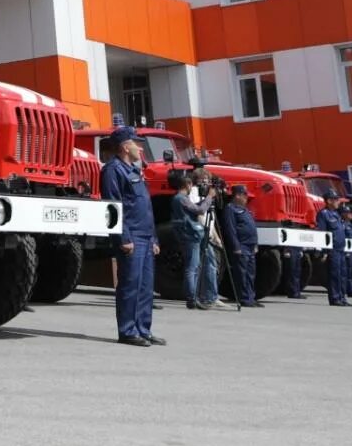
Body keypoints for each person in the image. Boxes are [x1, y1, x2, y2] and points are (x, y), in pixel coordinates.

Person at [101, 126, 164, 347]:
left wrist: (154, 238)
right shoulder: (113, 170)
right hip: (132, 236)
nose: (140, 148)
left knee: (146, 286)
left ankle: (143, 329)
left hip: (145, 236)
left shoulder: (135, 171)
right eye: (136, 144)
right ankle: (127, 331)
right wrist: (123, 238)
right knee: (130, 284)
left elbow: (145, 208)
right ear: (125, 147)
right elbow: (114, 207)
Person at [173, 168, 226, 310]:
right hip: (194, 234)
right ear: (189, 184)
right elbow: (200, 211)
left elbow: (204, 212)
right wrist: (209, 197)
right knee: (194, 267)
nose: (206, 182)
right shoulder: (184, 197)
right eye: (205, 179)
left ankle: (204, 296)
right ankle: (195, 298)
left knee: (202, 265)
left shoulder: (183, 198)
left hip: (198, 234)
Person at [221, 185, 262, 307]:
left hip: (250, 246)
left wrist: (255, 244)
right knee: (241, 273)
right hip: (241, 246)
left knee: (250, 273)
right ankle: (243, 298)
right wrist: (236, 246)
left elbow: (253, 228)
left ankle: (250, 297)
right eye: (244, 195)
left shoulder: (245, 210)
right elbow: (230, 229)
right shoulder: (230, 209)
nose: (246, 198)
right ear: (237, 195)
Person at [315, 196, 350, 307]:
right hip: (333, 249)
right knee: (334, 274)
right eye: (335, 200)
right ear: (329, 201)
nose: (338, 202)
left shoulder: (336, 214)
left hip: (340, 249)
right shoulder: (324, 214)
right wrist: (324, 251)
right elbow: (322, 233)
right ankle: (335, 298)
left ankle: (342, 297)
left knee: (343, 274)